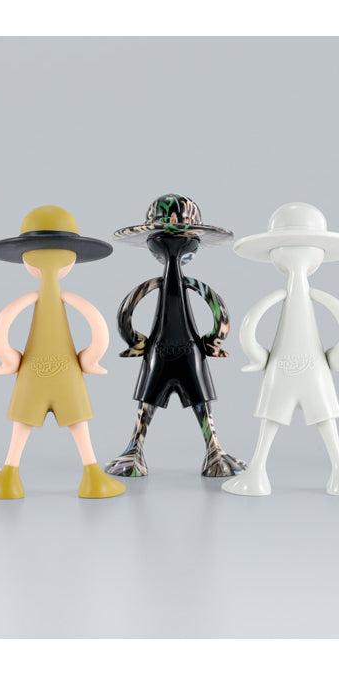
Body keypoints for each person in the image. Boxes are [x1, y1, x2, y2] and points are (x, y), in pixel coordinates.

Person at [222, 203, 339, 498]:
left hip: (290, 368)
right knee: (316, 417)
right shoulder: (307, 296)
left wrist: (256, 356)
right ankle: (335, 470)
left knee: (279, 418)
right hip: (308, 368)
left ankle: (267, 471)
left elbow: (250, 323)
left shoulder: (288, 295)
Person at [0, 205, 124, 501]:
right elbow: (97, 323)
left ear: (25, 260)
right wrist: (92, 358)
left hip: (39, 373)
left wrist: (7, 358)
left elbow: (2, 323)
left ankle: (13, 475)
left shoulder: (37, 298)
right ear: (71, 260)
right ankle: (88, 474)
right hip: (60, 373)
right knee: (72, 422)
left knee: (30, 422)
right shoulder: (59, 297)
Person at [106, 193, 244, 478]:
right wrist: (214, 341)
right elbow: (218, 309)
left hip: (163, 351)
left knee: (153, 404)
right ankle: (211, 451)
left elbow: (126, 312)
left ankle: (139, 450)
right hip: (184, 351)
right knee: (195, 403)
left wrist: (134, 341)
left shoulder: (162, 284)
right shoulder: (187, 285)